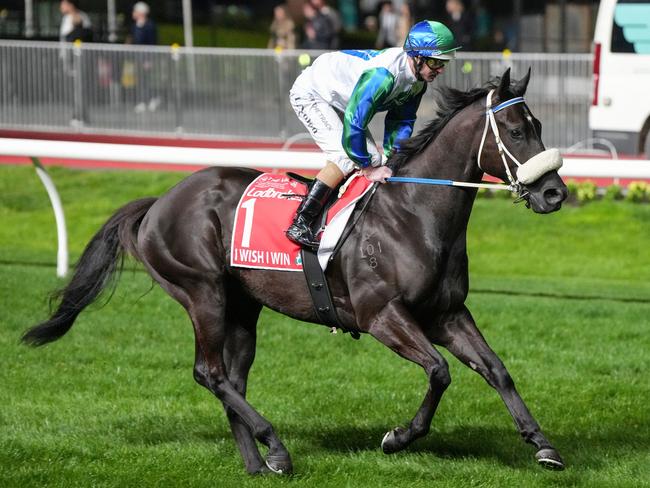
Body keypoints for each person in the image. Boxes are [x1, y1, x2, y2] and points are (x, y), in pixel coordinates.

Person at [286, 20, 459, 249]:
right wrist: (367, 169)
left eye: (444, 63)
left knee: (377, 160)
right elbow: (354, 121)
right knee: (348, 157)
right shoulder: (382, 76)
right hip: (313, 93)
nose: (440, 69)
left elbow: (401, 123)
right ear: (417, 57)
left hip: (341, 99)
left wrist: (394, 162)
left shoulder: (417, 84)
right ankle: (301, 222)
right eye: (436, 62)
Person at [128, 2, 159, 113]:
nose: (133, 13)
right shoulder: (134, 26)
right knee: (139, 79)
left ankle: (150, 99)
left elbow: (152, 43)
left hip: (146, 56)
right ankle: (143, 100)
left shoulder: (149, 25)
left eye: (135, 11)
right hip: (137, 56)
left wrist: (149, 59)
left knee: (146, 79)